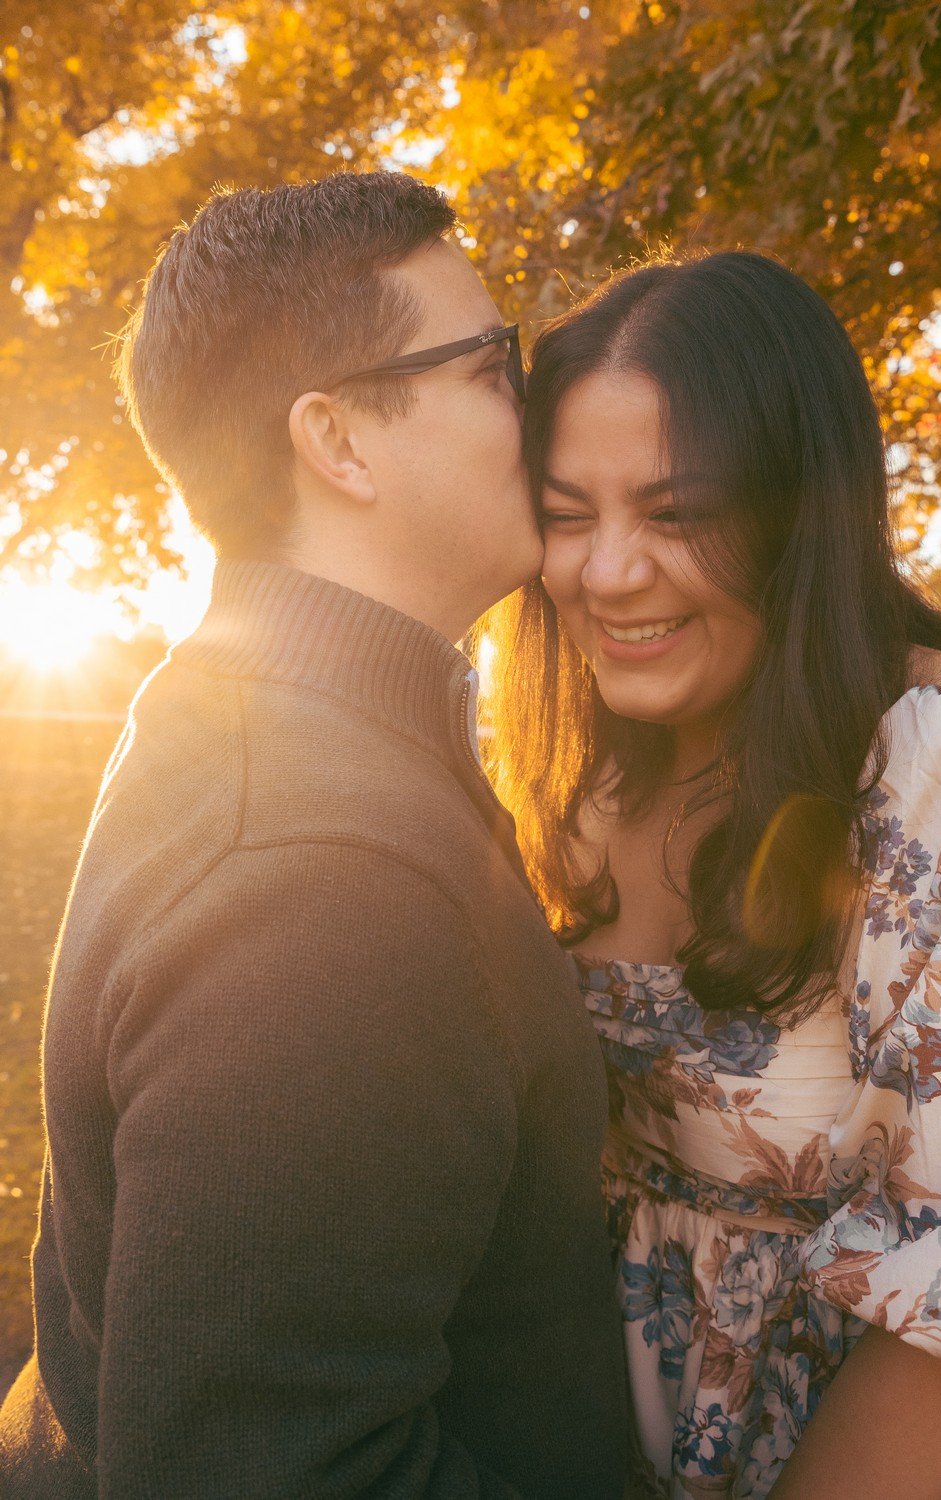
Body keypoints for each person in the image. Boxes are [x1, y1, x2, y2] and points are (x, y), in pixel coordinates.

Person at [0, 170, 627, 1497]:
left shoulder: (273, 740)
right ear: (339, 443)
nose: (540, 410)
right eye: (493, 366)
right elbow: (266, 1469)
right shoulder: (322, 877)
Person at [478, 251, 941, 1499]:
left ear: (800, 507)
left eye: (677, 513)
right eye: (569, 514)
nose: (607, 572)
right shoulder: (572, 772)